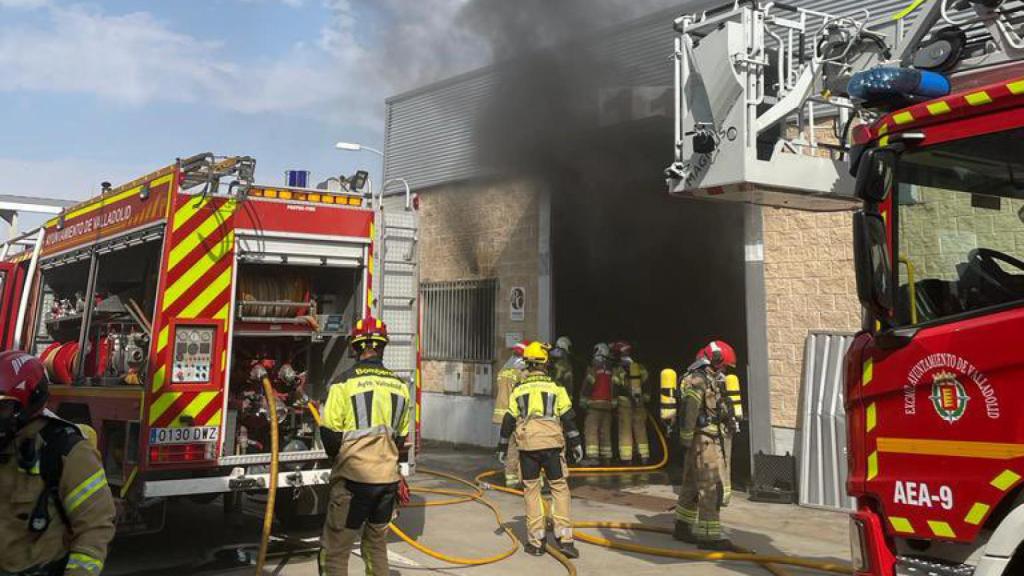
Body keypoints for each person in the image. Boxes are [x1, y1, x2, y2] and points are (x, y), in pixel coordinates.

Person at [0, 350, 116, 576]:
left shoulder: (66, 452)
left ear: (29, 402)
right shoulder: (6, 442)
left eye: (2, 408)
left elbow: (95, 526)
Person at [319, 316, 411, 576]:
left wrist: (340, 459)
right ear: (383, 347)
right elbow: (401, 439)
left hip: (352, 482)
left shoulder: (342, 383)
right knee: (376, 547)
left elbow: (330, 435)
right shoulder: (400, 386)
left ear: (356, 347)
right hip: (386, 483)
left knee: (336, 552)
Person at [497, 342, 582, 559]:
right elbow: (568, 418)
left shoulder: (519, 390)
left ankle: (536, 543)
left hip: (528, 449)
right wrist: (576, 444)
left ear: (527, 363)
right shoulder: (556, 389)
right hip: (553, 446)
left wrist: (502, 446)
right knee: (559, 489)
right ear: (545, 364)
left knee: (532, 491)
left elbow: (508, 419)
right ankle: (565, 540)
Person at [672, 340, 738, 551]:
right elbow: (691, 411)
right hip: (703, 439)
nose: (725, 370)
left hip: (702, 439)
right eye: (724, 365)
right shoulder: (698, 381)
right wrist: (687, 439)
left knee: (691, 483)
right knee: (710, 486)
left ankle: (682, 527)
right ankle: (710, 537)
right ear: (716, 360)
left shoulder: (710, 379)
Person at [492, 342, 528, 487]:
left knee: (508, 445)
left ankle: (512, 477)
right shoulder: (521, 373)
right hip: (515, 414)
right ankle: (517, 477)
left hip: (502, 414)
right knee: (518, 446)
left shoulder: (503, 371)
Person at [611, 341, 651, 464]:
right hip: (639, 402)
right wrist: (645, 397)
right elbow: (647, 383)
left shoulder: (618, 369)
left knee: (625, 430)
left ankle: (626, 458)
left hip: (624, 402)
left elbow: (615, 386)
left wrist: (614, 402)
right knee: (640, 428)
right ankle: (644, 457)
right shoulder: (639, 367)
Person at [579, 343, 618, 465]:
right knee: (605, 431)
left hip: (594, 404)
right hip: (608, 405)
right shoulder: (612, 368)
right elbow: (616, 386)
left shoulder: (595, 366)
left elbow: (589, 383)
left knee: (591, 430)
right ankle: (607, 458)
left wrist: (583, 399)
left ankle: (593, 458)